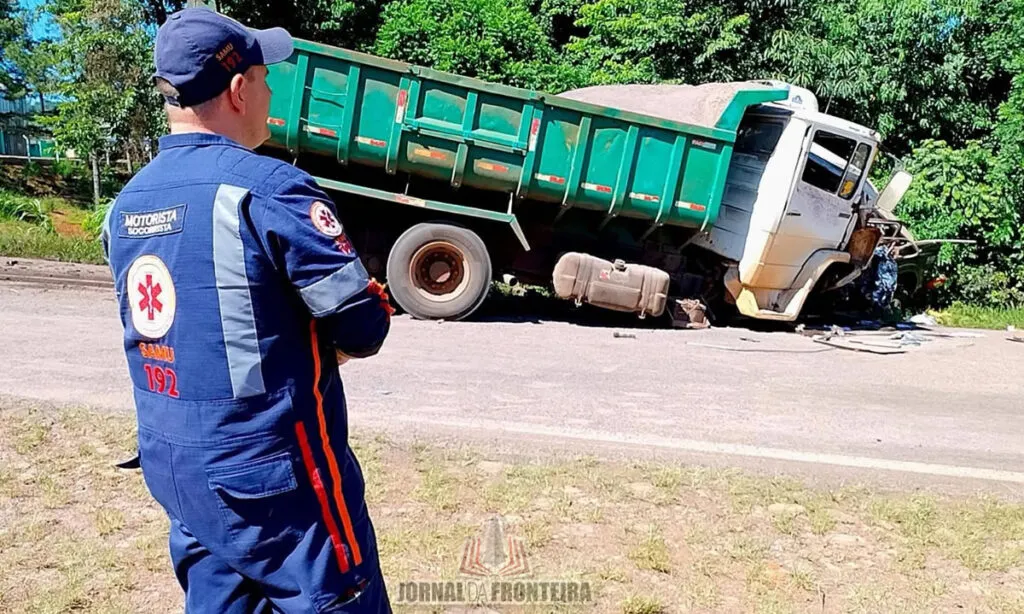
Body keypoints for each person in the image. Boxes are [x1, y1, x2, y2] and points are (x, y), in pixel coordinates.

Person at [100, 7, 394, 613]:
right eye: (264, 79)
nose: (268, 93)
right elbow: (362, 325)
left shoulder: (125, 204)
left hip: (177, 469)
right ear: (239, 90)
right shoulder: (268, 188)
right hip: (273, 481)